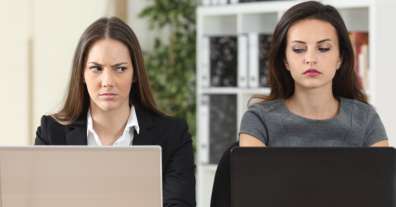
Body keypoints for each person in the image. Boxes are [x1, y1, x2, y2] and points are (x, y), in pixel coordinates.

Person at [35, 17, 195, 207]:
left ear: (135, 74)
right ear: (81, 74)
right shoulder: (52, 133)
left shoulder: (173, 135)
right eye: (96, 68)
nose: (108, 81)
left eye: (120, 68)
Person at [239, 1, 388, 147]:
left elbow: (382, 172)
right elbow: (252, 172)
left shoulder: (366, 118)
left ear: (340, 58)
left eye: (323, 48)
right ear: (285, 60)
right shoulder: (259, 120)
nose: (310, 59)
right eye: (298, 49)